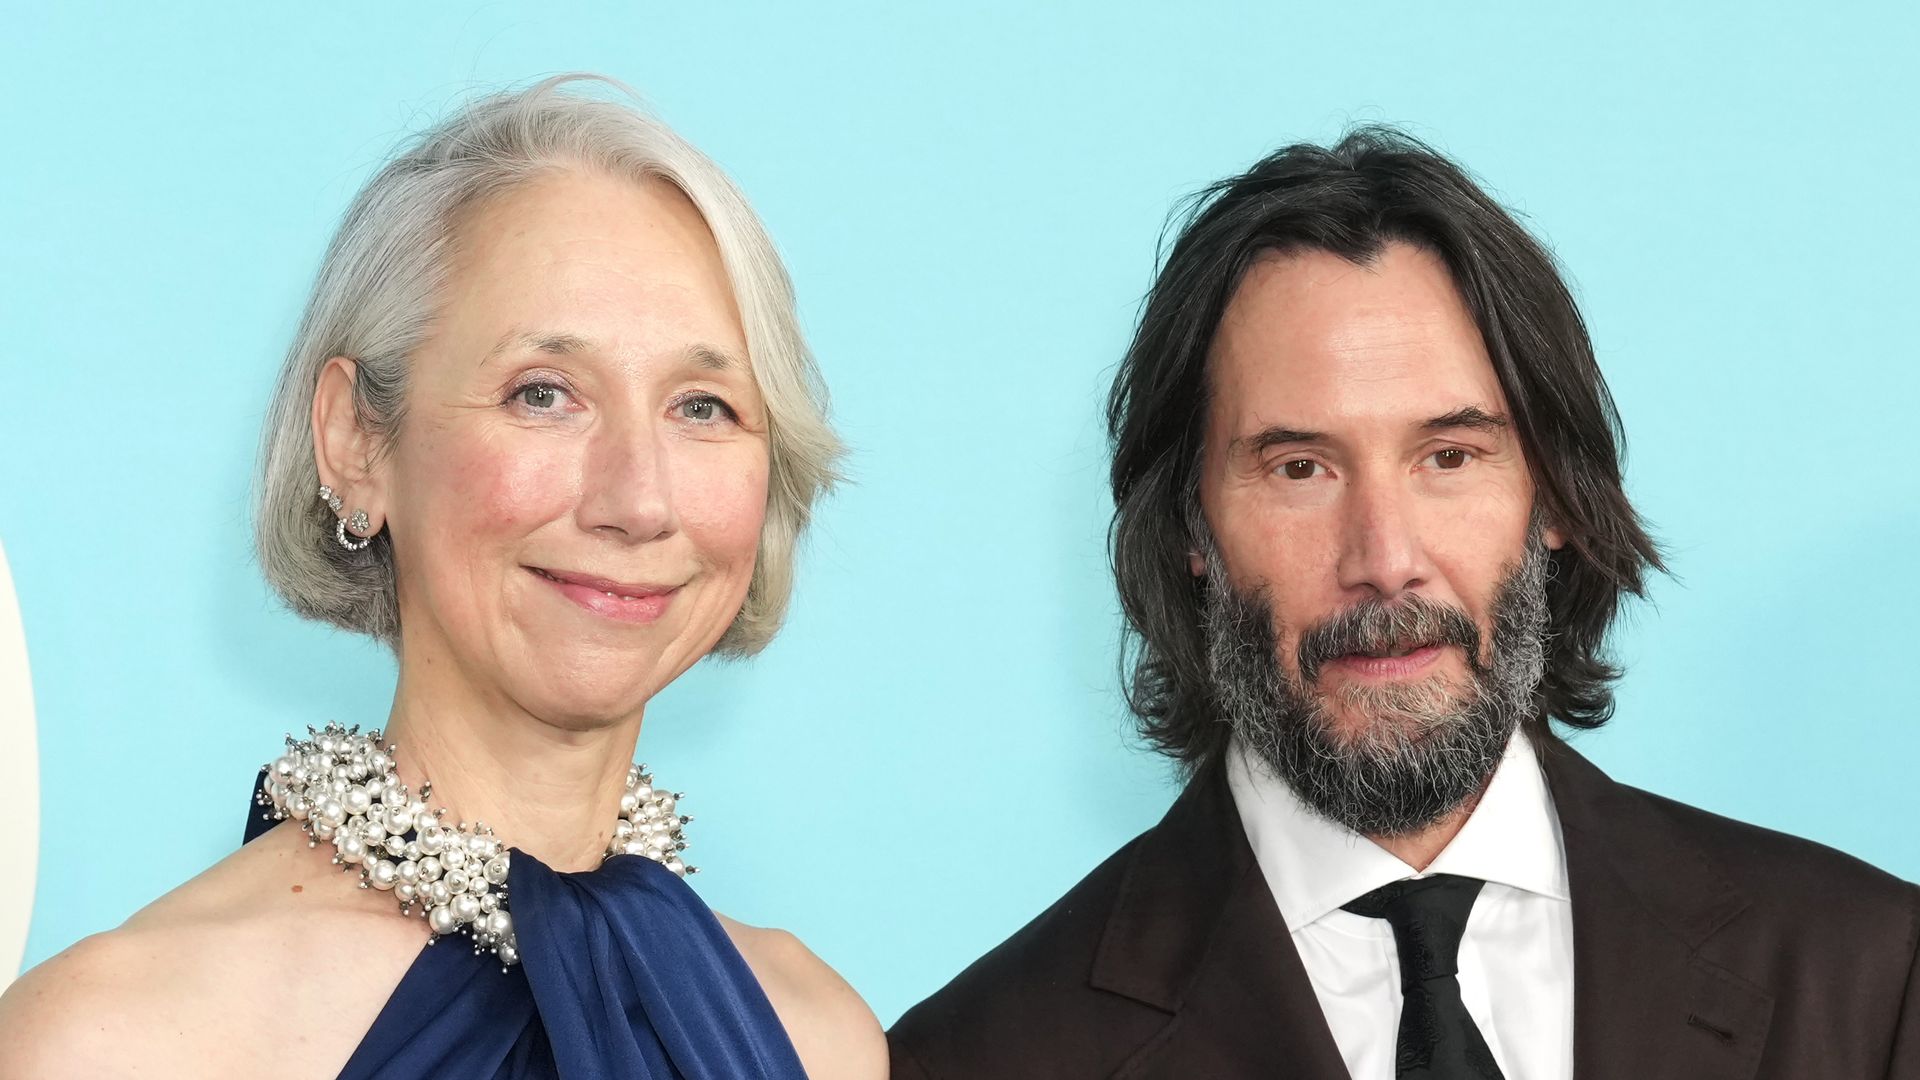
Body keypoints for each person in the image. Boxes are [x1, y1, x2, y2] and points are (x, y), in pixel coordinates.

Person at [889, 128, 1920, 1078]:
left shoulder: (1868, 977)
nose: (1385, 560)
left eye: (1449, 455)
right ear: (1190, 527)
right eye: (1299, 467)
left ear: (1554, 496)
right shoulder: (980, 1055)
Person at [0, 75, 885, 1079]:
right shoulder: (113, 1043)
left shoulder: (819, 1039)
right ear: (355, 440)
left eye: (703, 406)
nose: (638, 500)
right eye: (543, 394)